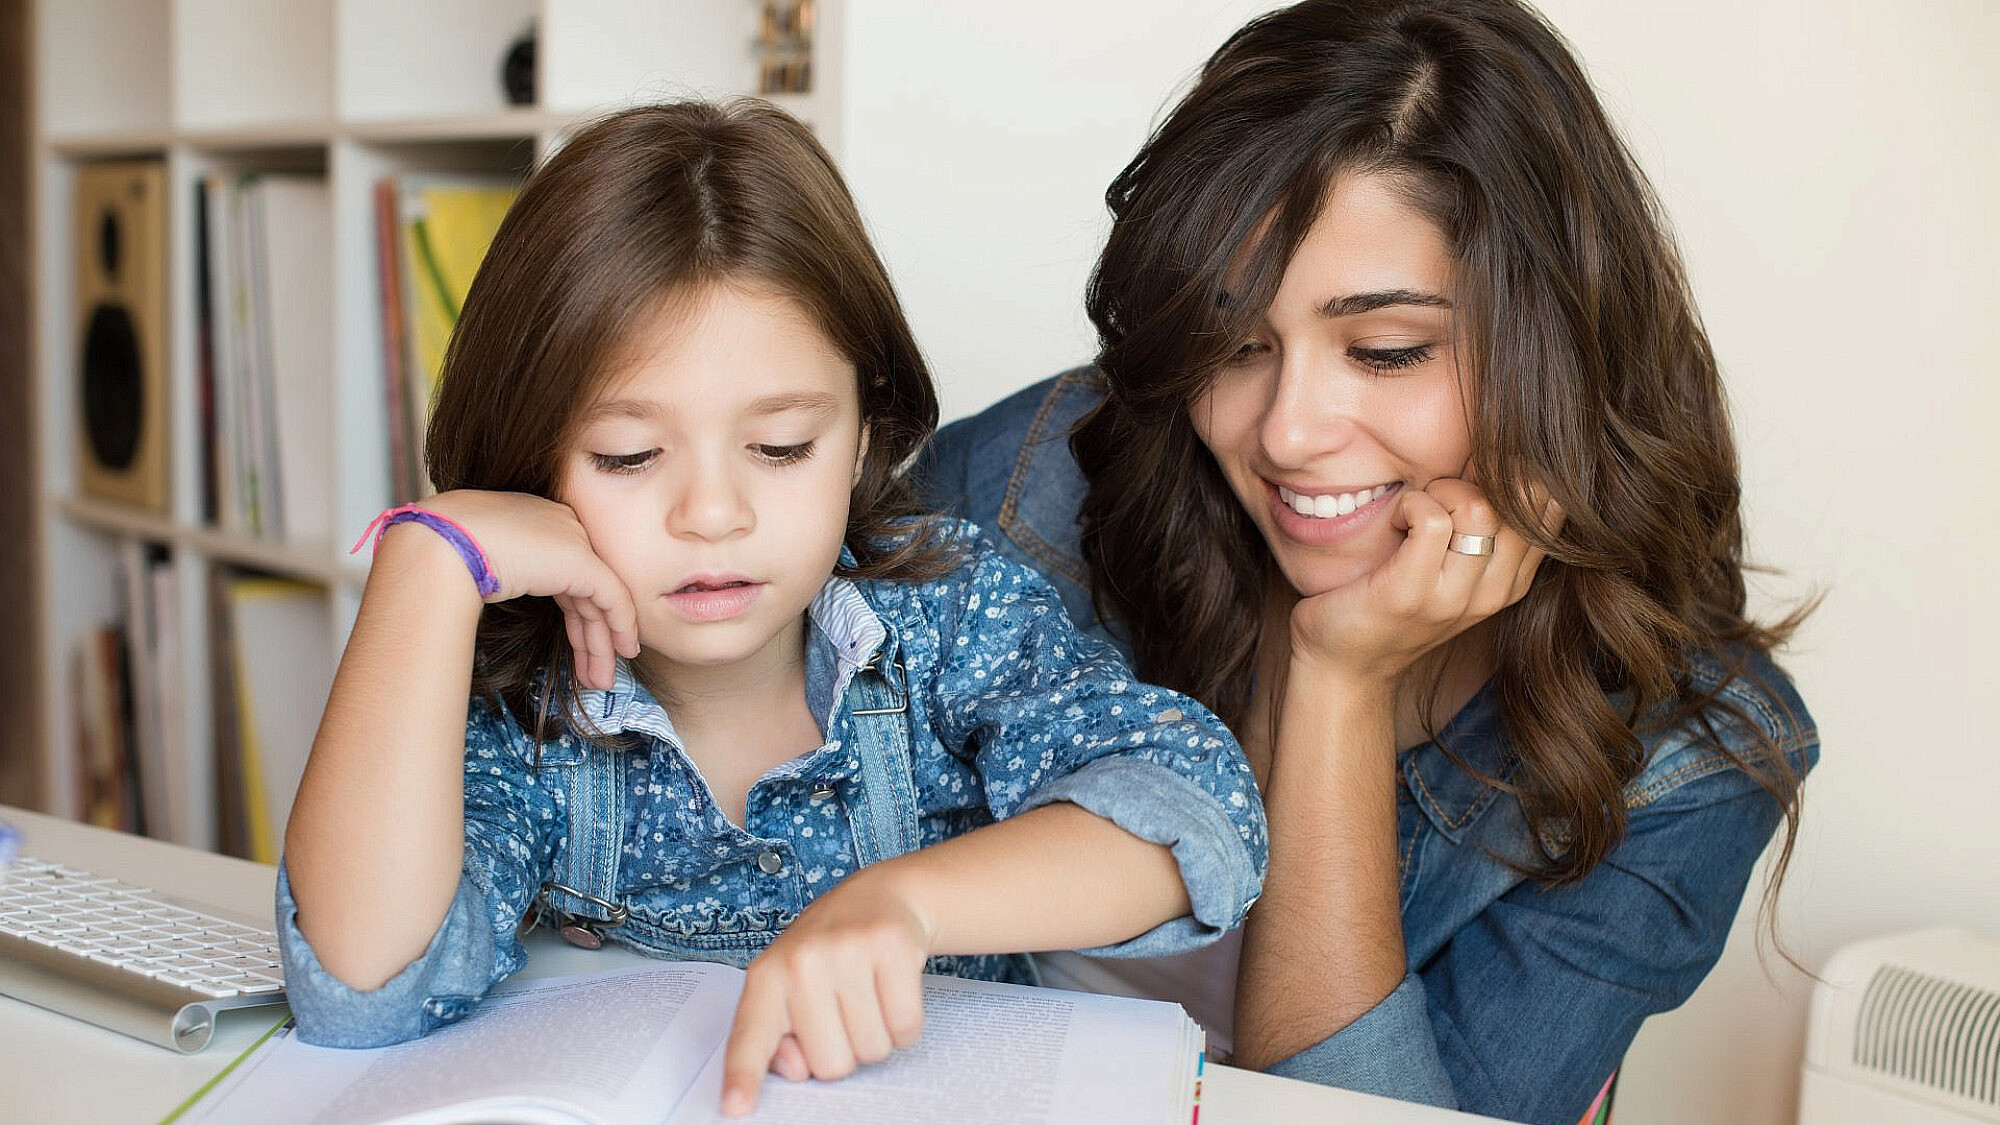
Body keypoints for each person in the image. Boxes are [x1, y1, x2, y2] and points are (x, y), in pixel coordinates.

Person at [919, 2, 1818, 1122]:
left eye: (1384, 351)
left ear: (1558, 348)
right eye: (1235, 342)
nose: (1287, 432)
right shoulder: (1037, 488)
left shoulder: (1682, 766)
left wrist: (1338, 690)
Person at [277, 101, 1266, 1118]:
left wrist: (904, 903)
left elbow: (1197, 817)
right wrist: (424, 561)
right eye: (627, 457)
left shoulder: (944, 612)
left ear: (865, 434)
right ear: (528, 462)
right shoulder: (525, 704)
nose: (713, 514)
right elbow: (360, 986)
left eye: (781, 446)